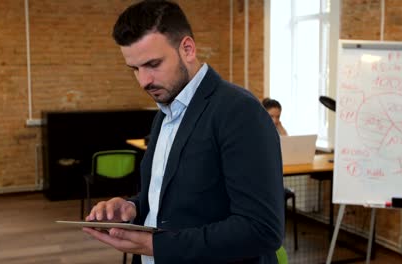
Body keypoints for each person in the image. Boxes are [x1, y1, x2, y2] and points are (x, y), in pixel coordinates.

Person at [83, 1, 284, 263]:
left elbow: (262, 230)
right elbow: (171, 199)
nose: (144, 81)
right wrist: (132, 207)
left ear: (187, 49)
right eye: (135, 69)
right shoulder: (165, 112)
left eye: (153, 64)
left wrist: (157, 246)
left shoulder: (239, 111)